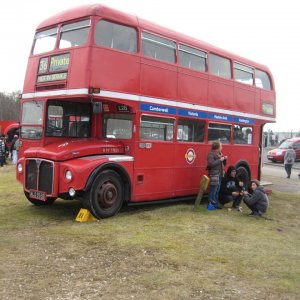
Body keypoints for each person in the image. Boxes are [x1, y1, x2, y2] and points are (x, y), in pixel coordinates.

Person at [207, 140, 228, 209]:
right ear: (217, 147)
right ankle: (211, 204)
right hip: (214, 174)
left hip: (219, 174)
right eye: (221, 146)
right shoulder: (211, 154)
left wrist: (224, 159)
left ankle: (216, 204)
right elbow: (211, 164)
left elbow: (223, 164)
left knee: (217, 190)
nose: (222, 147)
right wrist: (221, 159)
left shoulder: (219, 154)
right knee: (213, 190)